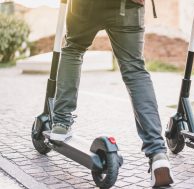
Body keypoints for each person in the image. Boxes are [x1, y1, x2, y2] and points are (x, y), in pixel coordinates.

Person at [49, 0, 173, 187]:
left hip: (85, 5)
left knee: (73, 49)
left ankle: (60, 122)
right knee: (135, 70)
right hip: (128, 5)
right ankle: (157, 153)